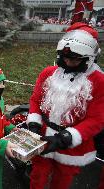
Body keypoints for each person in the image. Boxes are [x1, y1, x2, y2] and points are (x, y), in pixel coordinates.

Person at [26, 22, 104, 189]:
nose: (68, 62)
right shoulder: (48, 73)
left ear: (89, 58)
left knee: (62, 181)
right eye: (65, 57)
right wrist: (33, 123)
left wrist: (66, 138)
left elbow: (97, 119)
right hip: (44, 135)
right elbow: (35, 100)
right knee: (37, 176)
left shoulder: (98, 81)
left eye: (74, 60)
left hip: (71, 145)